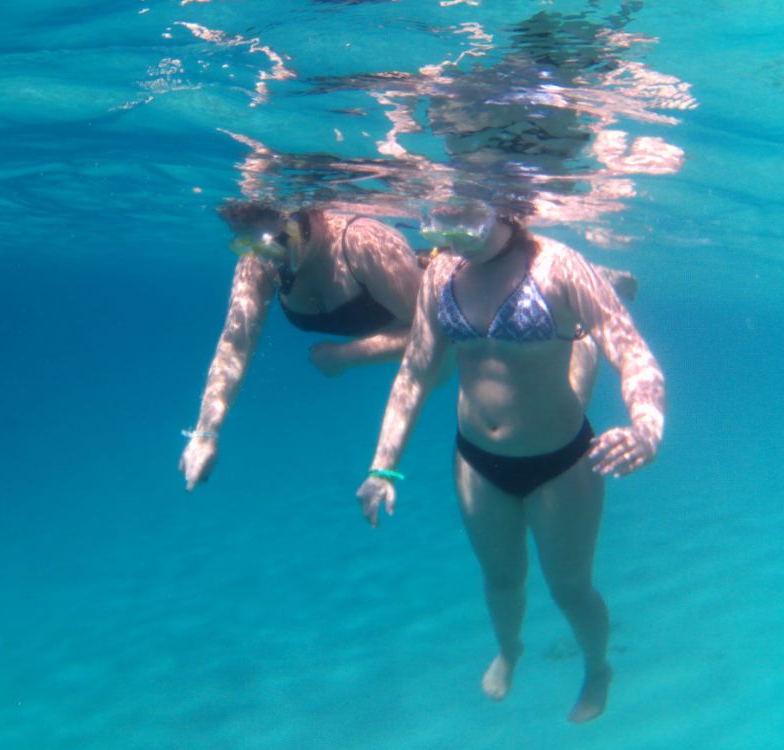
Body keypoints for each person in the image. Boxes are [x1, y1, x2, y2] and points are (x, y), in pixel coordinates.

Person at [355, 200, 664, 723]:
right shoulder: (442, 273)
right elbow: (415, 372)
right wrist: (382, 466)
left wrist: (647, 428)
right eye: (441, 223)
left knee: (570, 588)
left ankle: (597, 668)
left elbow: (634, 353)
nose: (452, 238)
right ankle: (509, 650)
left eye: (466, 223)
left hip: (560, 463)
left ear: (506, 212)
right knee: (501, 579)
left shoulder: (558, 266)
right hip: (478, 462)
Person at [179, 201, 423, 492]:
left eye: (272, 244)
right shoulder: (258, 259)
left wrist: (349, 356)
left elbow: (435, 335)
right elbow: (235, 342)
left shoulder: (362, 243)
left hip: (425, 368)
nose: (265, 257)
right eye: (246, 243)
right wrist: (206, 432)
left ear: (306, 218)